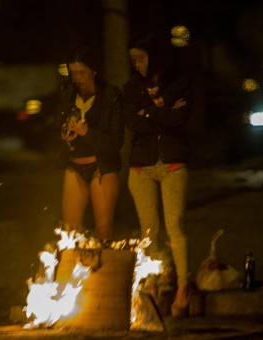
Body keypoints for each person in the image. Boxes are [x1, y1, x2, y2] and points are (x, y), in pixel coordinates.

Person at [122, 32, 193, 317]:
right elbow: (132, 122)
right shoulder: (131, 89)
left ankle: (183, 286)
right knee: (149, 232)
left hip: (173, 163)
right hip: (141, 167)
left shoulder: (180, 83)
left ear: (155, 58)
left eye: (140, 58)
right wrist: (160, 110)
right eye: (132, 59)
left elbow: (179, 119)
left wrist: (148, 113)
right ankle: (154, 283)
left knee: (175, 226)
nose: (136, 64)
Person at [57, 46, 125, 242]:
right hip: (74, 165)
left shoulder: (111, 96)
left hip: (101, 166)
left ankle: (104, 268)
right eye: (73, 73)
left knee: (103, 229)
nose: (76, 78)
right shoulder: (67, 92)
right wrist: (65, 134)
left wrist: (86, 133)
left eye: (82, 72)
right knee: (70, 230)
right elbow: (58, 123)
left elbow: (115, 142)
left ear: (94, 71)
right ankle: (73, 270)